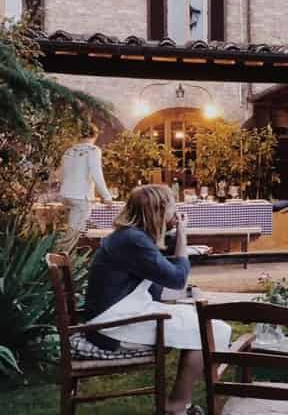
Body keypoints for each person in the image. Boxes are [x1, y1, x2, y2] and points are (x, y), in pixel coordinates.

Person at [83, 185, 231, 415]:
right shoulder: (134, 240)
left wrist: (184, 298)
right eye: (172, 204)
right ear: (159, 210)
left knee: (201, 322)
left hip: (116, 316)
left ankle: (180, 404)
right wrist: (182, 234)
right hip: (110, 327)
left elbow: (155, 289)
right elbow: (177, 279)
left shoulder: (130, 237)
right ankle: (176, 406)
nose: (176, 210)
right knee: (210, 330)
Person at [58, 123, 113, 252]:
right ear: (95, 135)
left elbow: (61, 174)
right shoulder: (93, 150)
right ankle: (55, 260)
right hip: (81, 197)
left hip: (66, 194)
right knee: (75, 233)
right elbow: (96, 173)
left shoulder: (69, 151)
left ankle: (63, 259)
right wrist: (106, 196)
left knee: (72, 229)